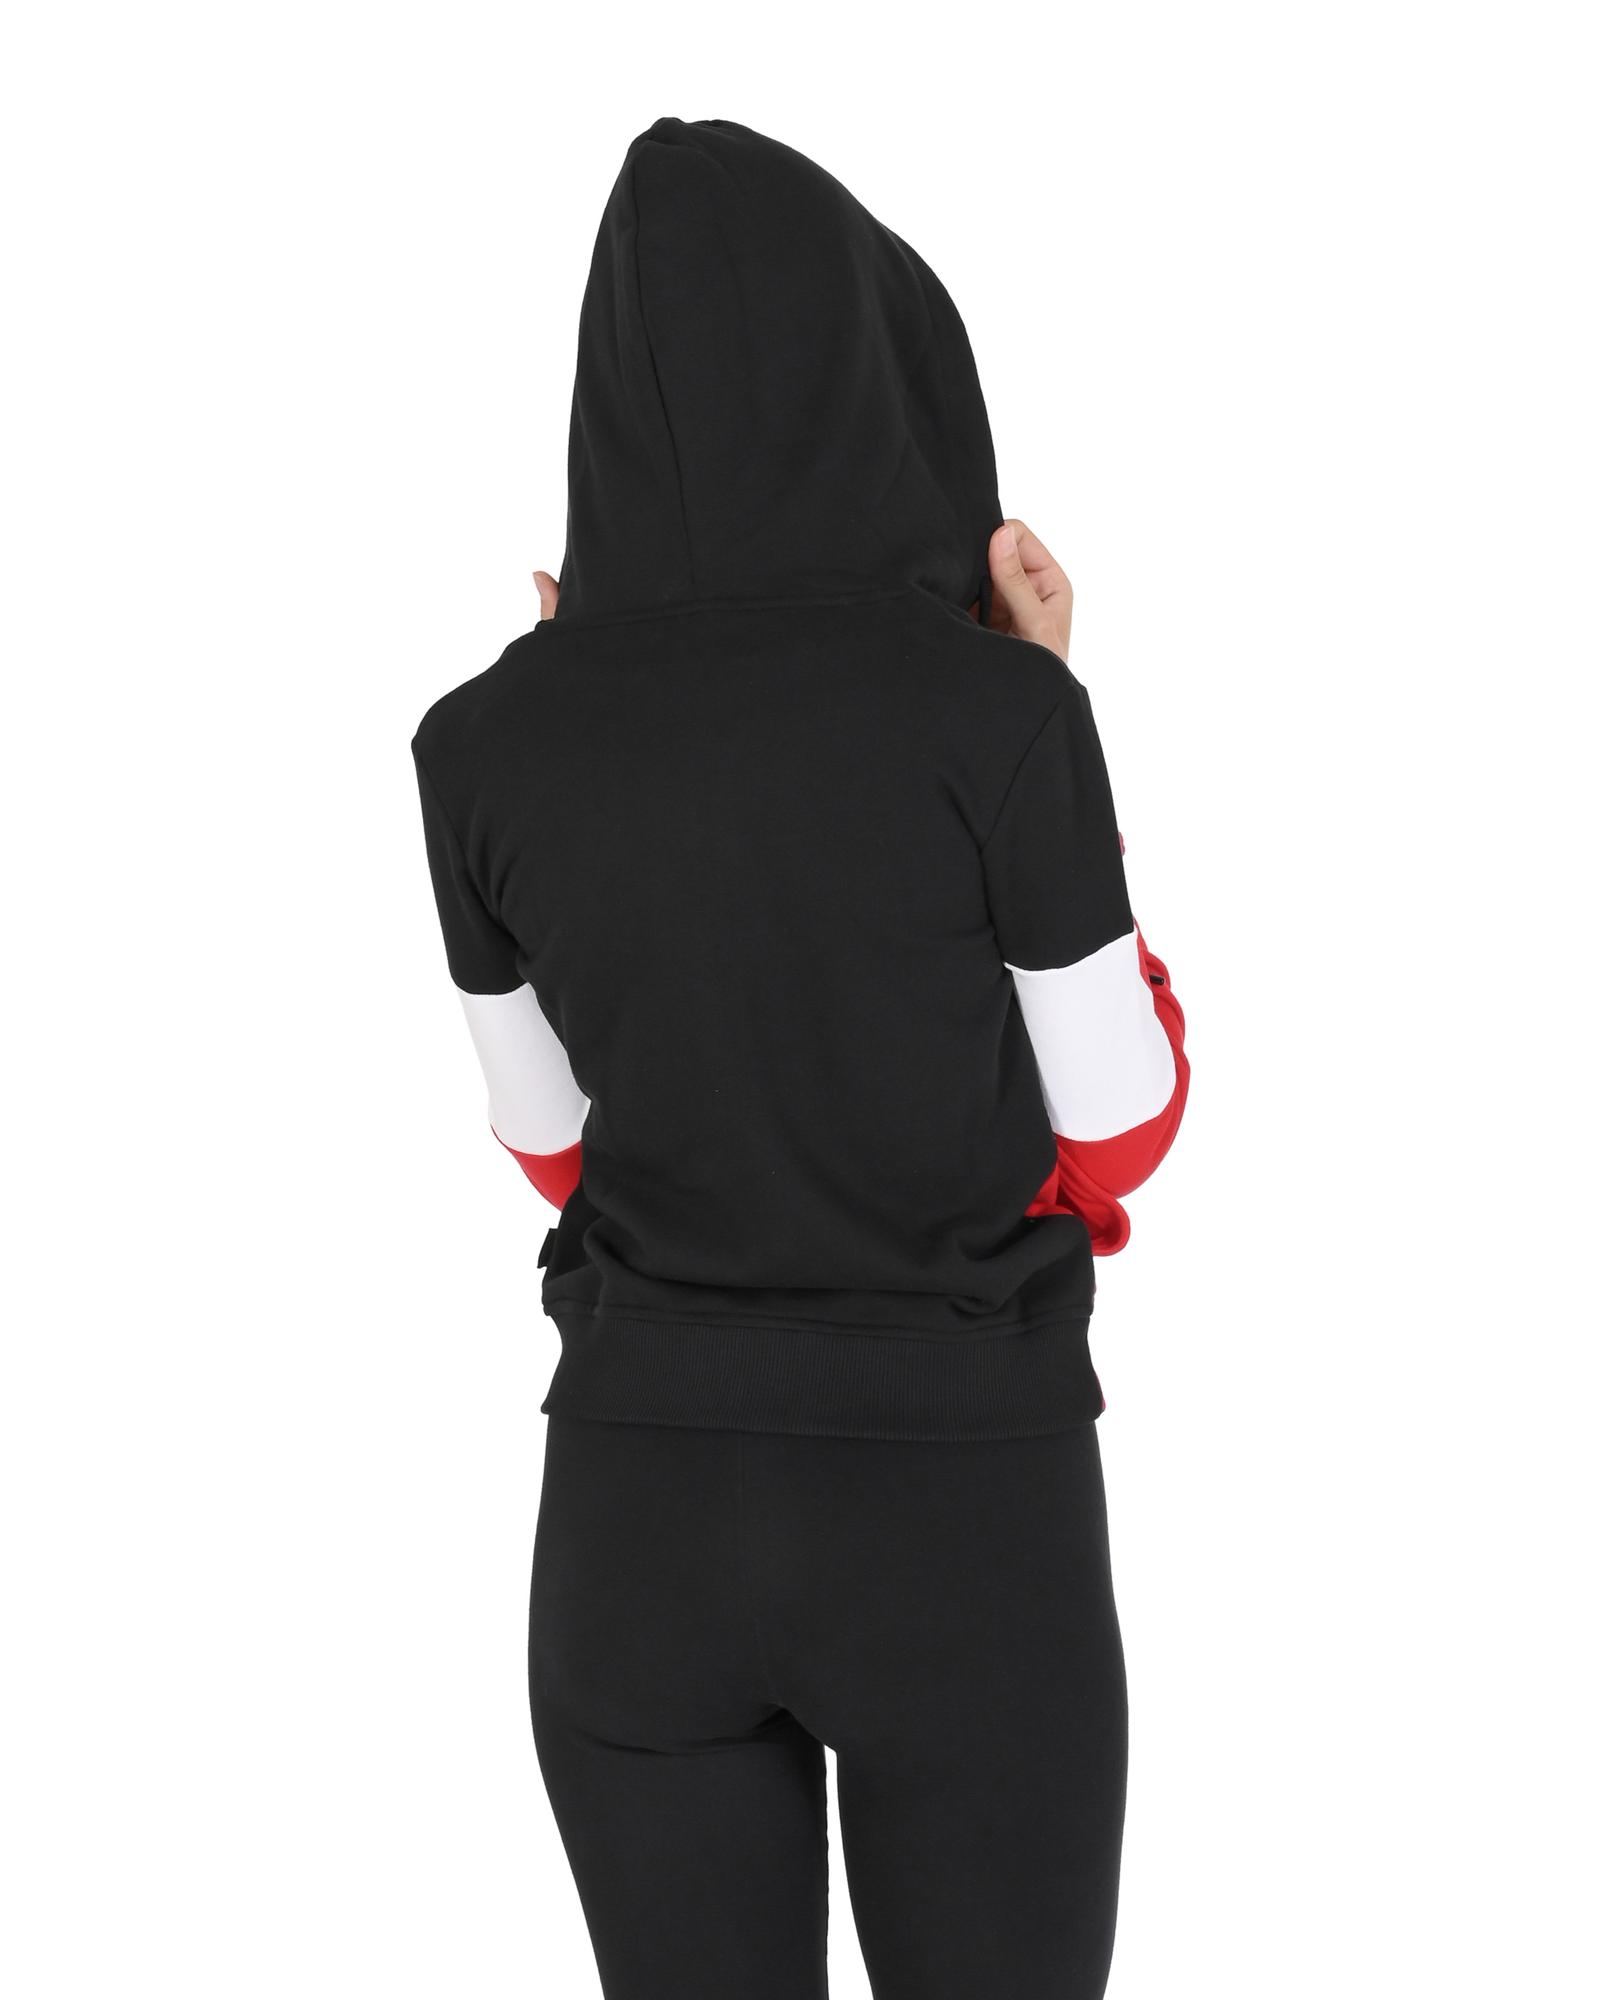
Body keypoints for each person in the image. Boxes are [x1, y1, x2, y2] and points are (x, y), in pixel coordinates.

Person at [412, 115, 1187, 2000]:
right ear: (886, 367)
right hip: (961, 1518)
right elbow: (1121, 1126)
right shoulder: (1002, 713)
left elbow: (551, 1148)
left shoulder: (477, 743)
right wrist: (1041, 696)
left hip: (637, 1522)